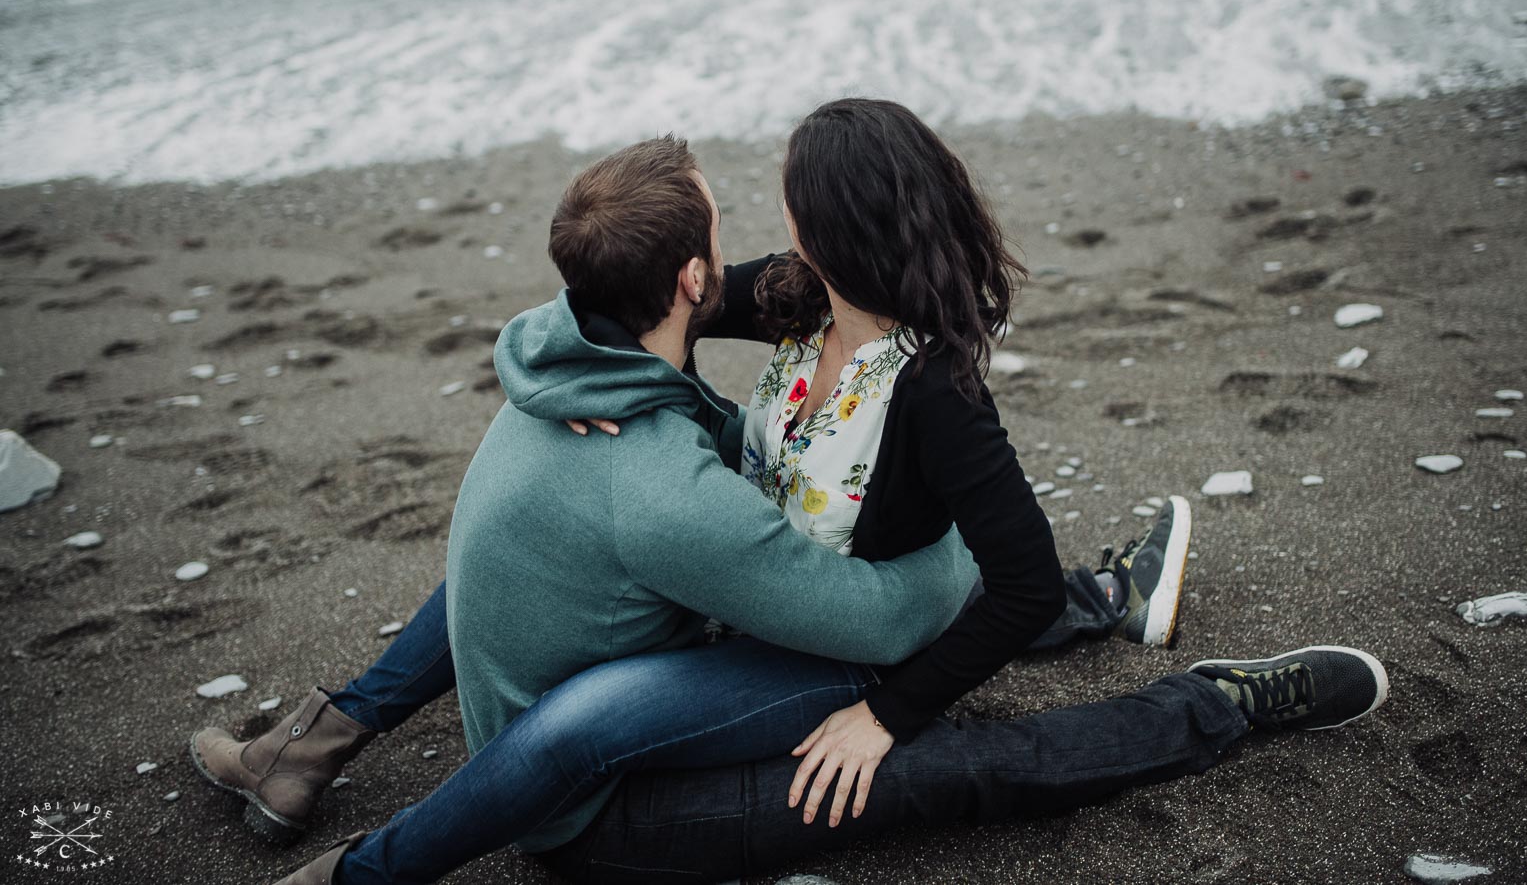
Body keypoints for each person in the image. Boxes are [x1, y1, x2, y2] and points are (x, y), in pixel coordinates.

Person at [190, 120, 1385, 885]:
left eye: (787, 203)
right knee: (549, 559)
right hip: (756, 608)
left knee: (960, 764)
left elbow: (1000, 577)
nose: (762, 228)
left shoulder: (931, 392)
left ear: (832, 228)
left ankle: (1219, 701)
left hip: (849, 636)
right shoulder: (787, 295)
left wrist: (890, 710)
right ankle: (1115, 594)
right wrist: (550, 374)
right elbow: (606, 296)